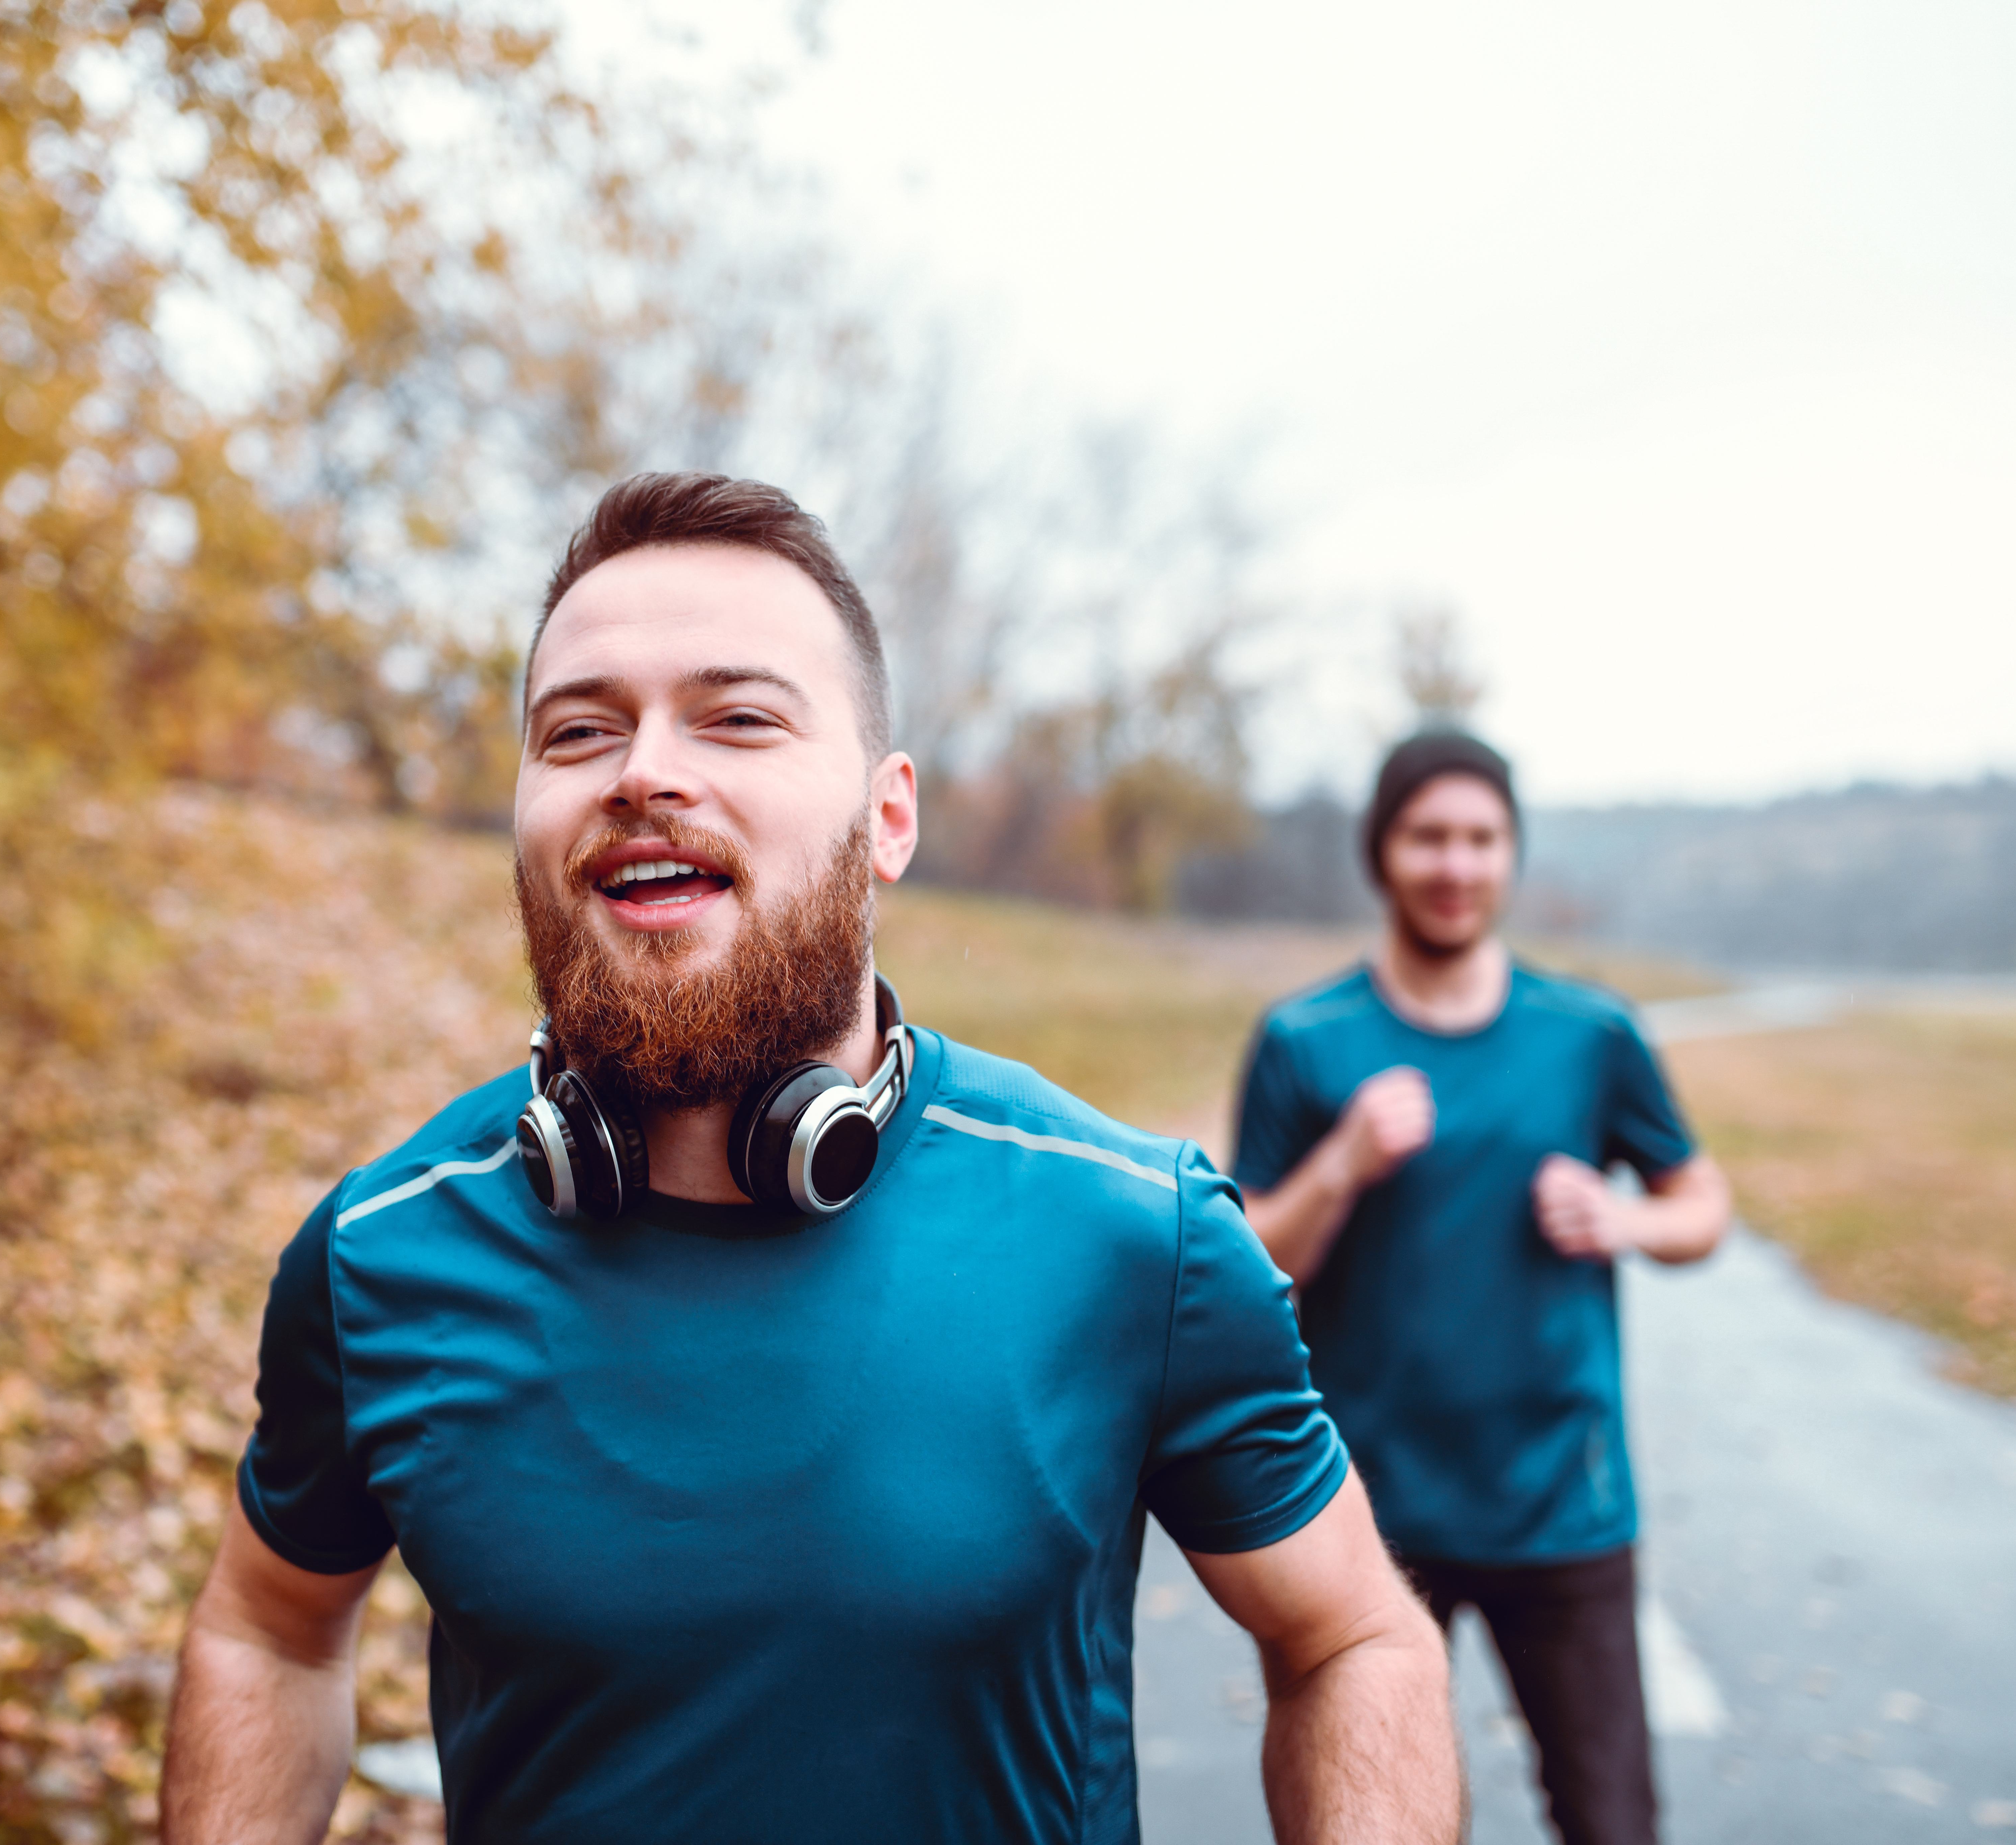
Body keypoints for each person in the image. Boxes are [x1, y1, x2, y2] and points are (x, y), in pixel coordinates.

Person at [162, 473, 1458, 1844]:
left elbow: (1354, 1639)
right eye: (580, 730)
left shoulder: (1138, 1232)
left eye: (738, 717)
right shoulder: (378, 1255)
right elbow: (268, 1632)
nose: (643, 772)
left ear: (888, 818)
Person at [1228, 730, 1732, 1845]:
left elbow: (1703, 1206)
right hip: (1363, 1521)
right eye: (1428, 838)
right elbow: (1249, 1259)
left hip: (1562, 1505)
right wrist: (1341, 1164)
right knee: (1368, 1827)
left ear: (1511, 855)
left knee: (1612, 1823)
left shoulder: (1592, 1034)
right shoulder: (1307, 1039)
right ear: (1382, 852)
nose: (1455, 865)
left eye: (1481, 839)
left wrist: (1625, 1220)